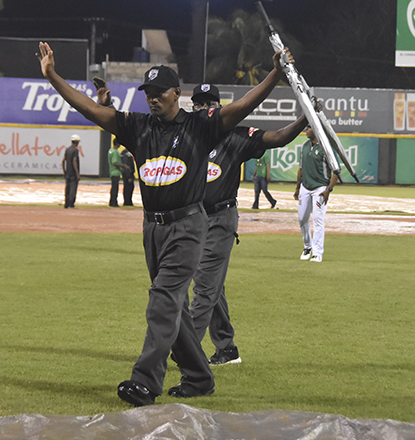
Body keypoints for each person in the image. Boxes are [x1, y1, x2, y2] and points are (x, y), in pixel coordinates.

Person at [36, 41, 292, 406]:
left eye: (159, 93)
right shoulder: (137, 127)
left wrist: (275, 75)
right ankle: (199, 376)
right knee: (175, 308)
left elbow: (241, 106)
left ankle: (145, 381)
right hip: (151, 229)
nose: (152, 99)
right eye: (148, 93)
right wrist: (52, 76)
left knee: (162, 300)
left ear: (177, 94)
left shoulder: (200, 126)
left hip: (188, 226)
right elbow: (90, 109)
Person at [188, 83, 312, 366]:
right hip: (193, 219)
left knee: (204, 287)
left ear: (219, 108)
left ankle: (187, 350)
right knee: (211, 285)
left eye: (209, 104)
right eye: (198, 104)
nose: (203, 108)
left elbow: (279, 137)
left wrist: (305, 117)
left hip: (220, 219)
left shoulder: (236, 137)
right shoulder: (187, 136)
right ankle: (227, 348)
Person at [294, 125, 340, 263]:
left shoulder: (327, 148)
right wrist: (297, 188)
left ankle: (317, 252)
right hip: (305, 187)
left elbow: (336, 172)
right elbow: (301, 168)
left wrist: (328, 190)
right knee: (302, 218)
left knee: (318, 220)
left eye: (308, 128)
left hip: (320, 188)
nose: (305, 130)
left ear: (316, 130)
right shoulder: (304, 146)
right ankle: (307, 246)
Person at [62, 134, 81, 208]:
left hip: (68, 172)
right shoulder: (75, 150)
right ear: (77, 142)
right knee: (73, 188)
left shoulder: (68, 149)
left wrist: (64, 171)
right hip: (73, 173)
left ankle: (66, 203)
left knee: (67, 188)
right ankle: (71, 203)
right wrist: (77, 173)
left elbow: (63, 160)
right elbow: (74, 161)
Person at [107, 139, 125, 207]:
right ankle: (114, 202)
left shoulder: (110, 151)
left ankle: (112, 201)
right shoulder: (115, 152)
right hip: (116, 172)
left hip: (111, 171)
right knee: (115, 188)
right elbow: (114, 162)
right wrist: (123, 165)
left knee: (113, 187)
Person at [119, 139, 136, 206]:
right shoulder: (127, 155)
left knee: (127, 187)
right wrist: (129, 176)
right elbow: (127, 166)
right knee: (129, 188)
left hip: (125, 174)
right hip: (128, 174)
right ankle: (127, 202)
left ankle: (128, 201)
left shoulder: (123, 153)